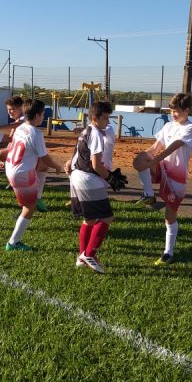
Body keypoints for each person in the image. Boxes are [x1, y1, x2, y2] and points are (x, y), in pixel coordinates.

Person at [134, 93, 192, 265]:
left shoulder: (189, 128)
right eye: (171, 111)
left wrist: (153, 160)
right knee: (140, 158)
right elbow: (156, 146)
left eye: (176, 111)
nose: (173, 114)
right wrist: (145, 157)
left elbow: (174, 146)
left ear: (187, 111)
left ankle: (168, 253)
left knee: (169, 217)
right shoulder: (168, 126)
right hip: (162, 169)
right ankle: (148, 195)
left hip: (176, 176)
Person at [67, 101, 127, 273]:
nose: (108, 121)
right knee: (106, 218)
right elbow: (96, 165)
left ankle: (81, 256)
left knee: (89, 219)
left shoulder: (86, 130)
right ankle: (90, 254)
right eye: (105, 118)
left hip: (78, 177)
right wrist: (110, 178)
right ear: (95, 118)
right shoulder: (95, 134)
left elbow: (79, 154)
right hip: (88, 179)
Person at [4, 99, 62, 251]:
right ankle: (13, 242)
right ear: (37, 116)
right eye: (42, 114)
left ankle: (35, 199)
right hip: (22, 173)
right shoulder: (36, 133)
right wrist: (56, 166)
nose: (43, 117)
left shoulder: (20, 127)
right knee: (30, 208)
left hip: (11, 168)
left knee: (30, 200)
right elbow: (44, 157)